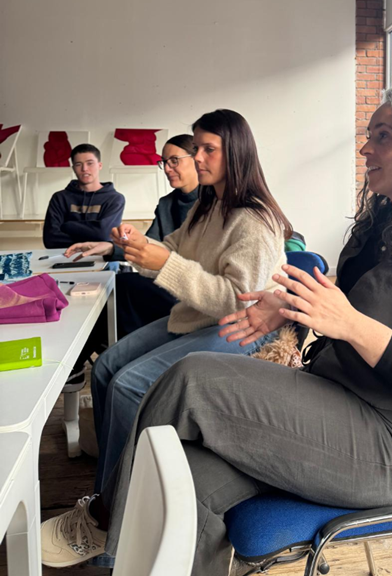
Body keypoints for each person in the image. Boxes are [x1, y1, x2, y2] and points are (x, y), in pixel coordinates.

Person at [41, 88, 392, 574]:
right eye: (369, 135)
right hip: (338, 396)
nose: (365, 148)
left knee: (190, 379)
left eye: (383, 137)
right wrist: (290, 307)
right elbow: (353, 308)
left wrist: (351, 325)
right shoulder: (382, 226)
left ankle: (104, 519)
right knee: (185, 474)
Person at [80, 109, 291, 496]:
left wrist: (164, 263)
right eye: (197, 149)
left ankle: (115, 505)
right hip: (201, 317)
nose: (198, 158)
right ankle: (111, 475)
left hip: (245, 328)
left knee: (128, 386)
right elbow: (173, 248)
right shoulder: (207, 206)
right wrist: (139, 245)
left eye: (209, 149)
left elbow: (235, 300)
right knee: (106, 368)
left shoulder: (255, 220)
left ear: (236, 152)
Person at [65, 134, 201, 338]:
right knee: (113, 288)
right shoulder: (166, 204)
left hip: (193, 291)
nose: (167, 168)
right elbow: (148, 246)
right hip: (165, 282)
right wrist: (110, 247)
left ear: (197, 159)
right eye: (164, 162)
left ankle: (100, 349)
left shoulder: (215, 202)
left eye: (174, 161)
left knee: (121, 287)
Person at [42, 144, 125, 249]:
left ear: (100, 165)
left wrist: (67, 226)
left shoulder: (115, 199)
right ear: (73, 168)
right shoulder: (60, 198)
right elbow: (50, 240)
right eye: (78, 164)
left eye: (90, 163)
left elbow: (104, 234)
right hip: (64, 256)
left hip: (101, 257)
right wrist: (94, 240)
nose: (84, 169)